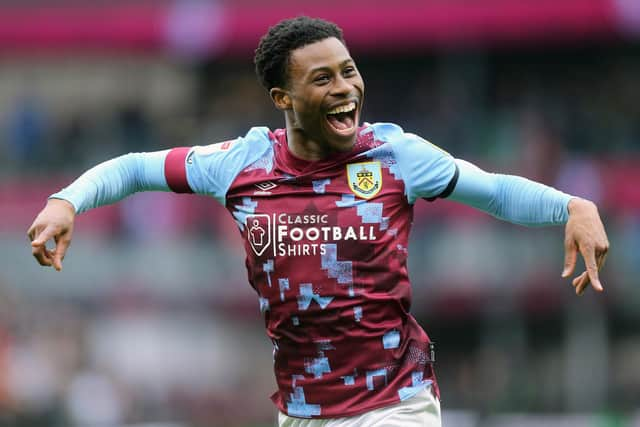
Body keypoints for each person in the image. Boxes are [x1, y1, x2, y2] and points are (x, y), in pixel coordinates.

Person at [28, 16, 609, 427]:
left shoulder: (394, 155)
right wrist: (67, 199)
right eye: (323, 77)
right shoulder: (241, 164)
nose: (346, 88)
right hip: (301, 410)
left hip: (395, 403)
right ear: (283, 96)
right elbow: (134, 168)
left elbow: (494, 190)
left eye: (349, 71)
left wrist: (571, 206)